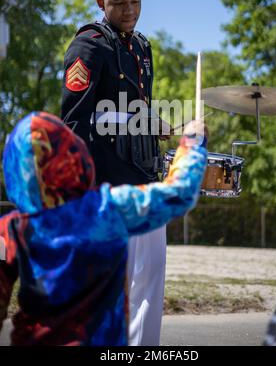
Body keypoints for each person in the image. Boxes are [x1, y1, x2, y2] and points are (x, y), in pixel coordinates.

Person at [0, 111, 207, 346]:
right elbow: (178, 194)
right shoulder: (107, 210)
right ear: (72, 153)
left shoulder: (10, 230)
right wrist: (192, 143)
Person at [60, 0, 170, 345]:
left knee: (150, 280)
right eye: (120, 3)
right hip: (107, 186)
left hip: (145, 182)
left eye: (136, 1)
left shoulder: (141, 47)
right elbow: (73, 122)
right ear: (101, 2)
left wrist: (154, 123)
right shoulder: (89, 45)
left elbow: (135, 110)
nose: (130, 10)